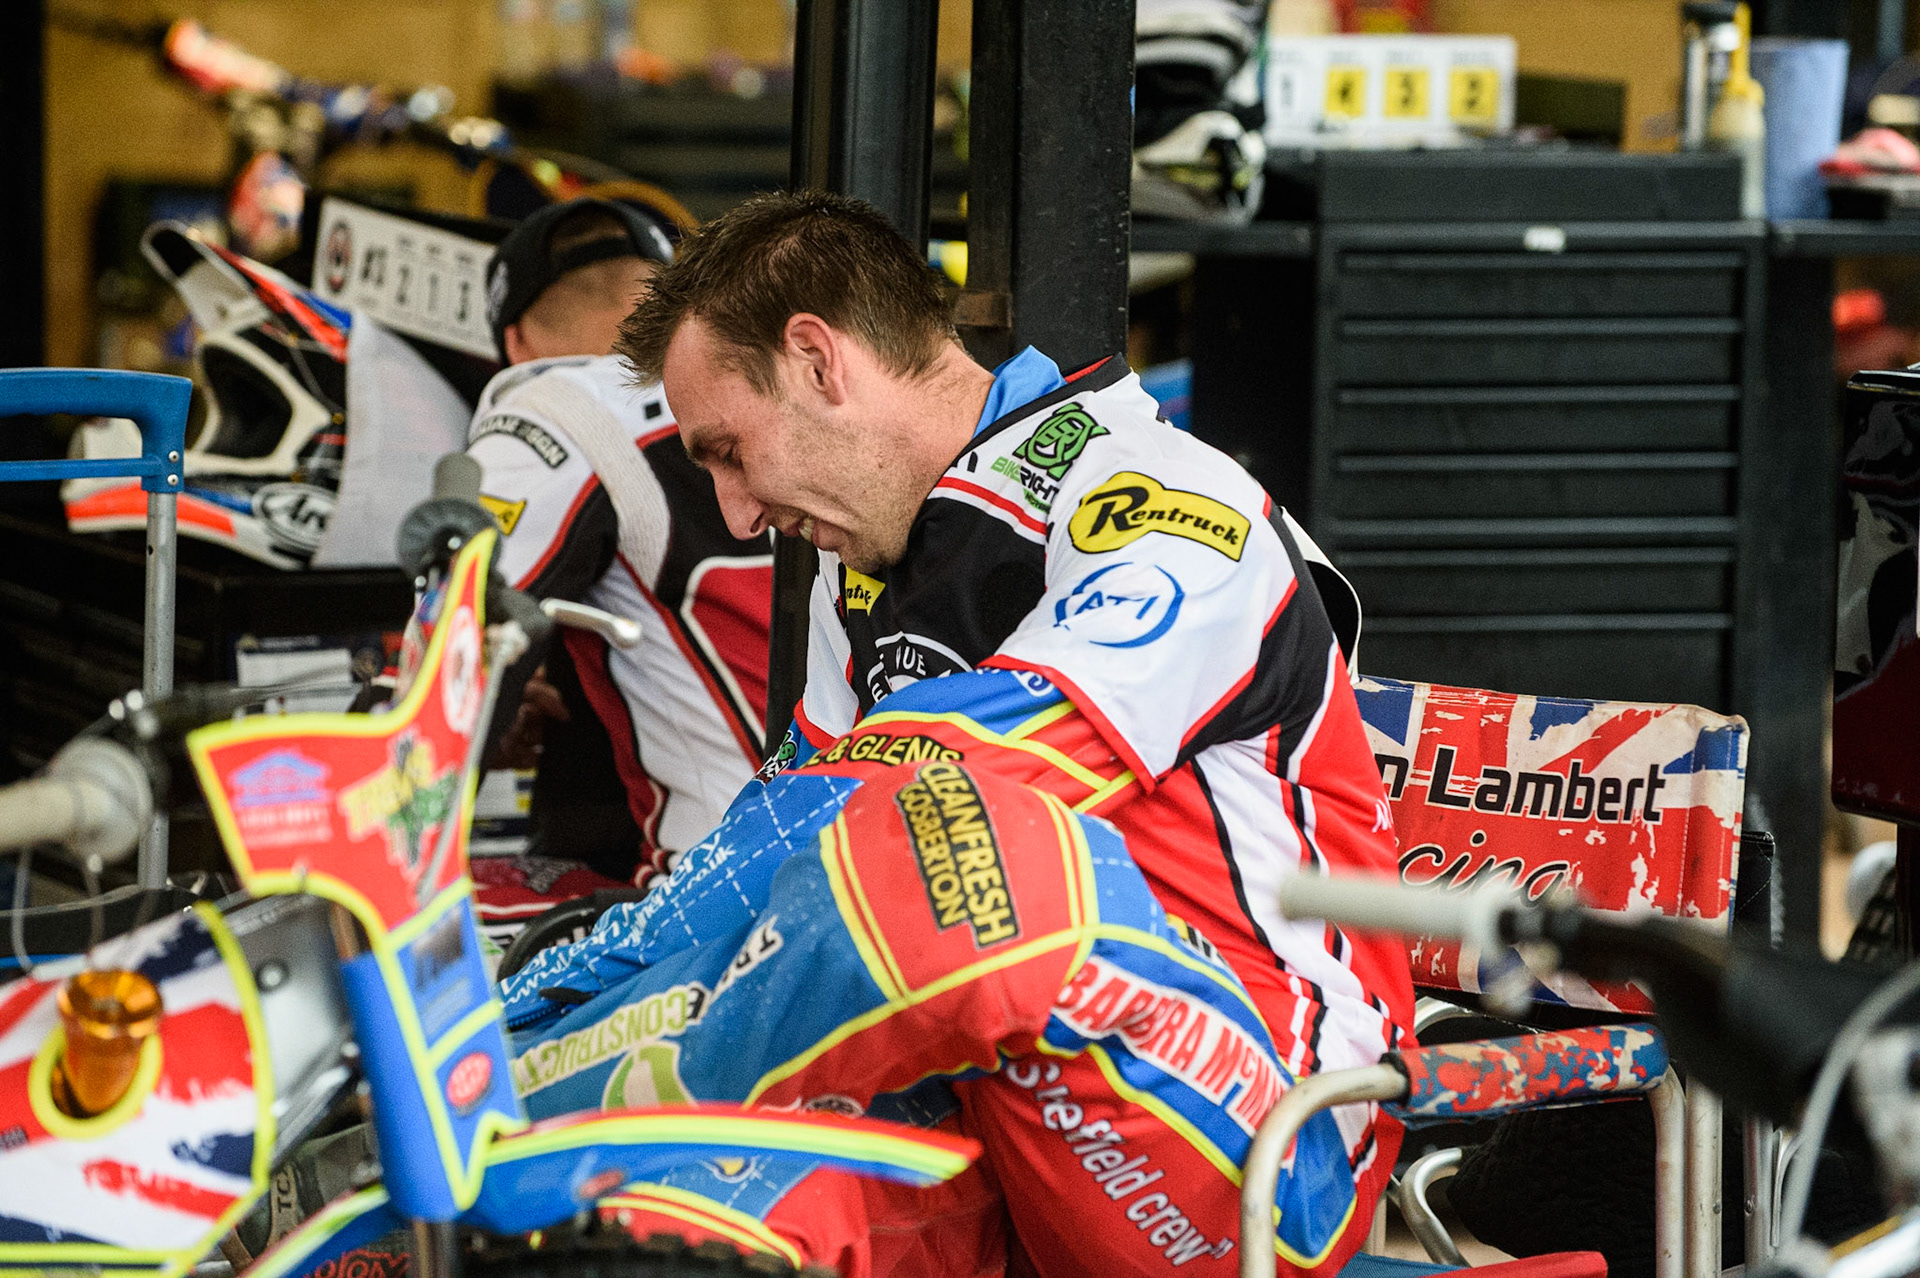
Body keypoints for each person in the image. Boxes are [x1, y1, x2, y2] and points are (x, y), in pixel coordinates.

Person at [501, 192, 1412, 1276]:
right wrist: (535, 1010)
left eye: (730, 452)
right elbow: (773, 837)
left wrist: (642, 1037)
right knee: (643, 1218)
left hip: (1273, 1138)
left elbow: (946, 807)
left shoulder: (1160, 499)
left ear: (818, 361)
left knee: (964, 856)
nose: (736, 514)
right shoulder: (872, 566)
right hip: (993, 1088)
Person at [466, 196, 774, 905]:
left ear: (514, 343)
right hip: (892, 853)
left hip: (721, 901)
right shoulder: (788, 386)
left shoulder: (551, 407)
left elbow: (449, 679)